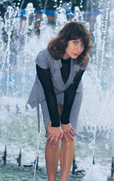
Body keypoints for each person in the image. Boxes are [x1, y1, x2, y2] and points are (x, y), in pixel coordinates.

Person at [28, 21, 92, 181]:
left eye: (82, 44)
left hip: (72, 93)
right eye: (75, 42)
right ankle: (51, 179)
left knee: (69, 134)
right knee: (53, 135)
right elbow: (49, 91)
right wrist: (56, 124)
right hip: (48, 91)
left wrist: (65, 122)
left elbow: (72, 90)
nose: (79, 49)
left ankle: (64, 179)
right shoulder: (43, 57)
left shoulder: (82, 60)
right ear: (65, 41)